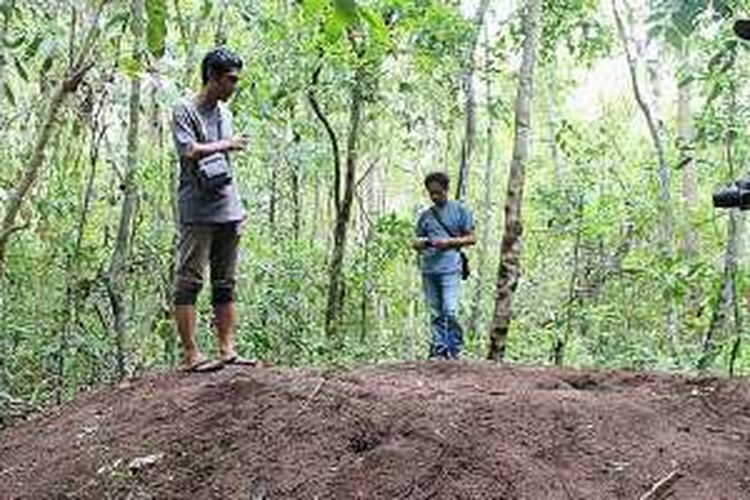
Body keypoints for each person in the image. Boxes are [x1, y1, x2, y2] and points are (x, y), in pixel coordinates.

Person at [170, 47, 255, 372]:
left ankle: (227, 349)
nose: (234, 86)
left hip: (227, 207)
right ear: (213, 77)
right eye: (231, 79)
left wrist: (238, 206)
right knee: (190, 279)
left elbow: (223, 163)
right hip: (197, 207)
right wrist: (227, 144)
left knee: (225, 281)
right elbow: (188, 150)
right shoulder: (184, 109)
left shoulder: (225, 114)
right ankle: (192, 354)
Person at [413, 172, 476, 359]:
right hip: (429, 269)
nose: (434, 197)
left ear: (446, 190)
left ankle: (454, 349)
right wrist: (426, 243)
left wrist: (448, 243)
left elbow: (472, 238)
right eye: (431, 193)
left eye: (438, 192)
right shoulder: (425, 216)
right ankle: (440, 350)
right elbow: (415, 242)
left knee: (450, 309)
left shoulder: (460, 211)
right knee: (435, 312)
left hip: (450, 269)